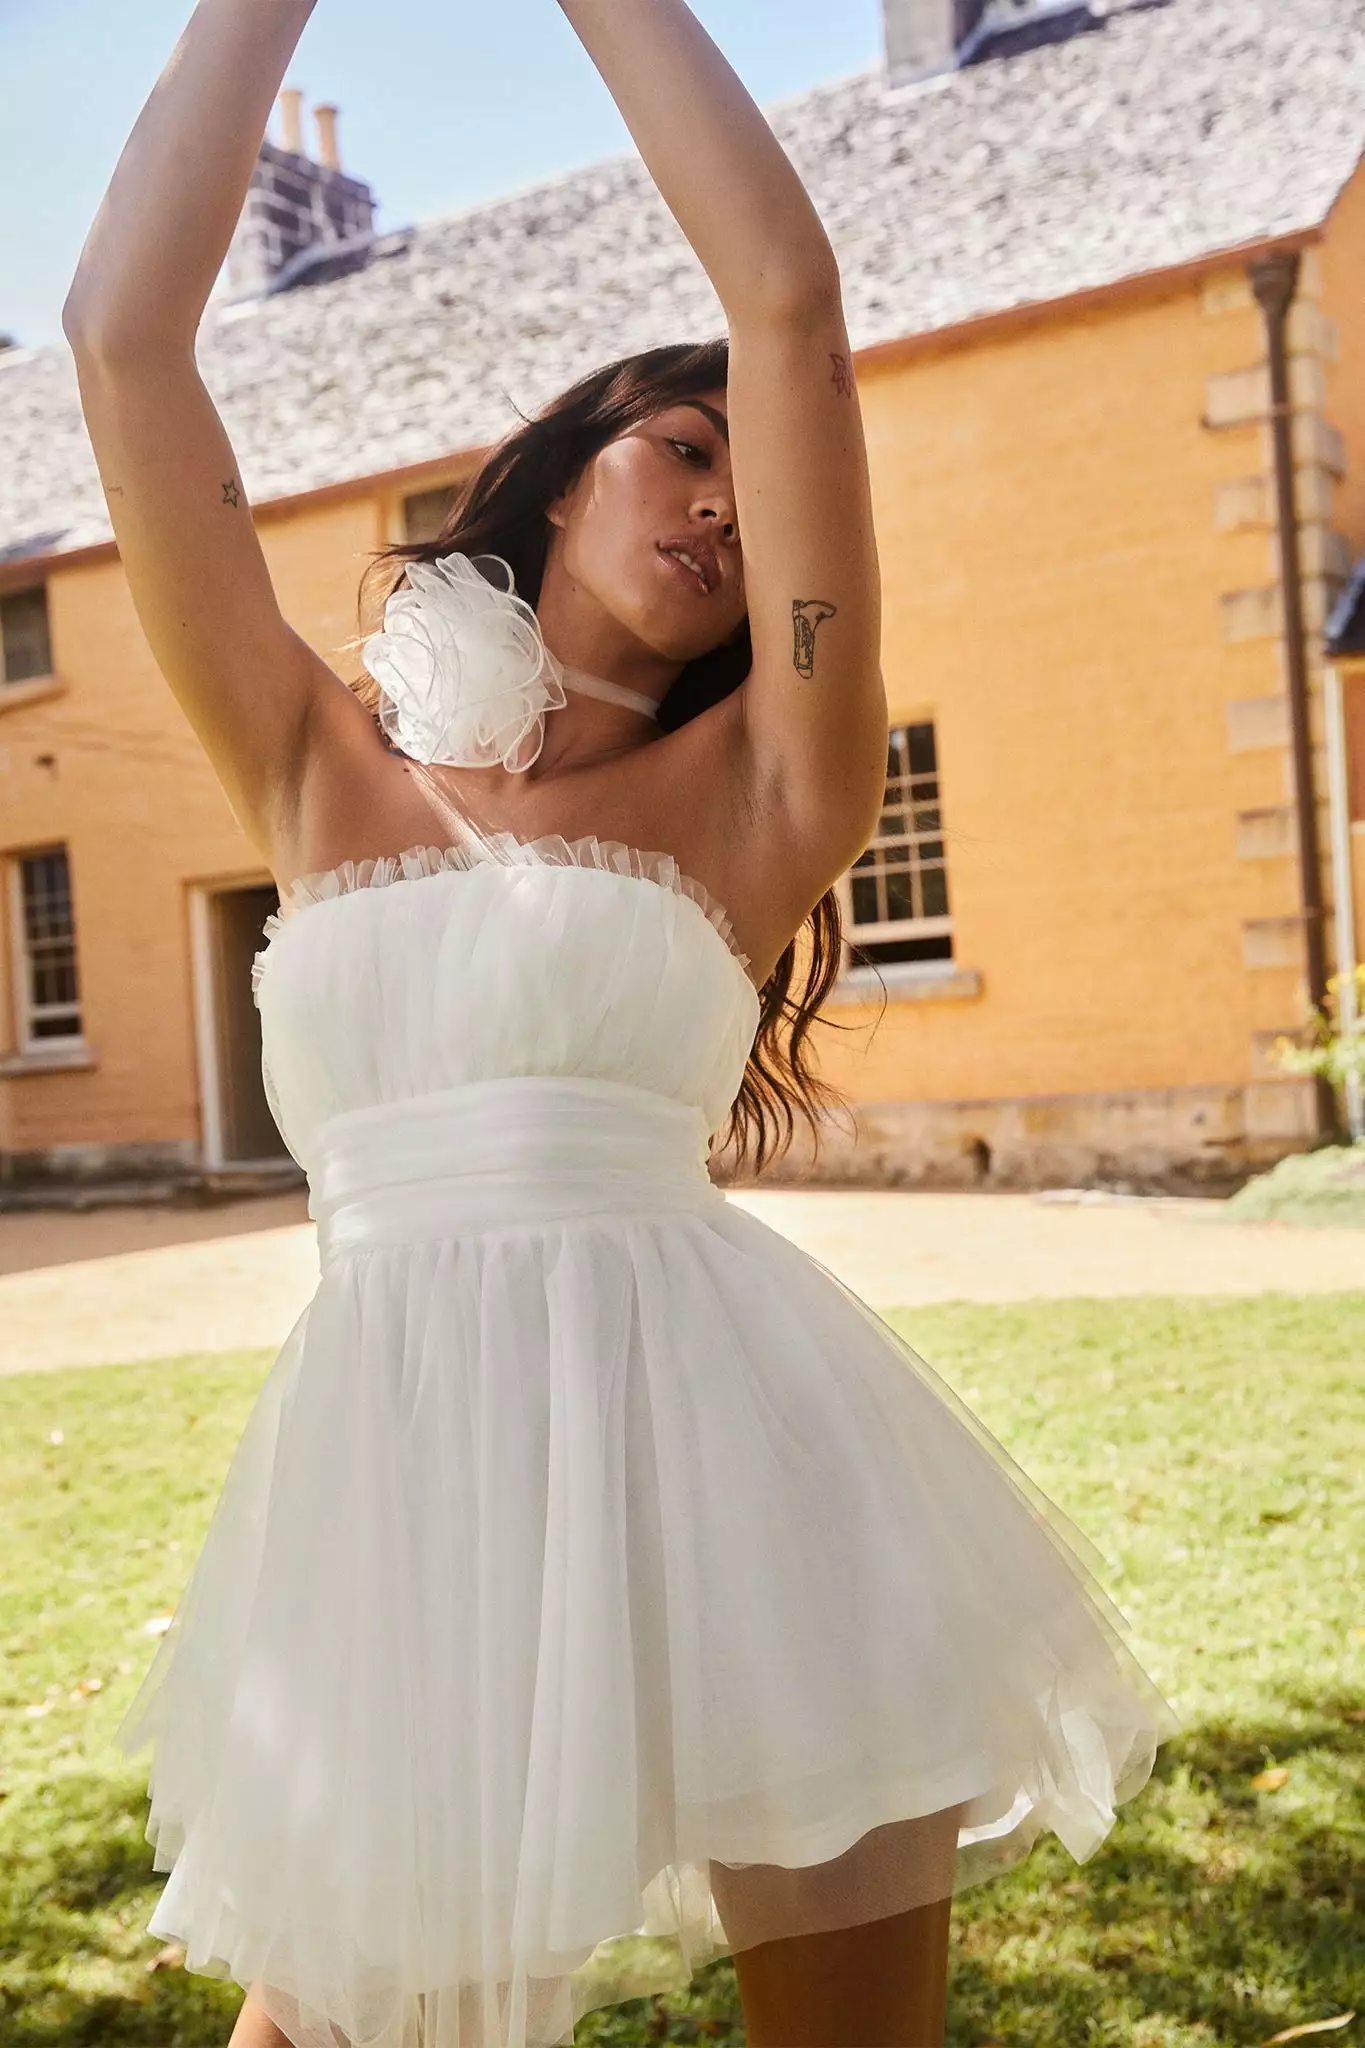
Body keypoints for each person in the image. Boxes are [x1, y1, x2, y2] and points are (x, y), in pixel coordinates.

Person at [62, 3, 1181, 2045]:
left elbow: (786, 295)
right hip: (402, 1485)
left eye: (756, 486)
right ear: (564, 476)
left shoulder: (778, 785)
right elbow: (126, 340)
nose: (724, 503)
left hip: (744, 1475)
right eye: (681, 446)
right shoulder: (310, 761)